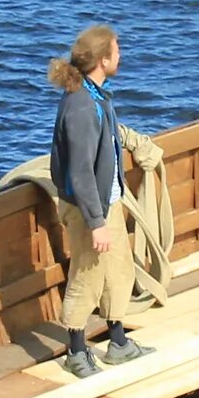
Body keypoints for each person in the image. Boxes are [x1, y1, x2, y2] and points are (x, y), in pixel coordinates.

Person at [47, 24, 149, 379]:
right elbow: (80, 172)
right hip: (88, 208)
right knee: (88, 276)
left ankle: (118, 343)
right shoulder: (81, 106)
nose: (121, 56)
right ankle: (76, 352)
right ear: (103, 59)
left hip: (108, 202)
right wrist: (95, 221)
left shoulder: (96, 95)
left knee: (119, 271)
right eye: (117, 51)